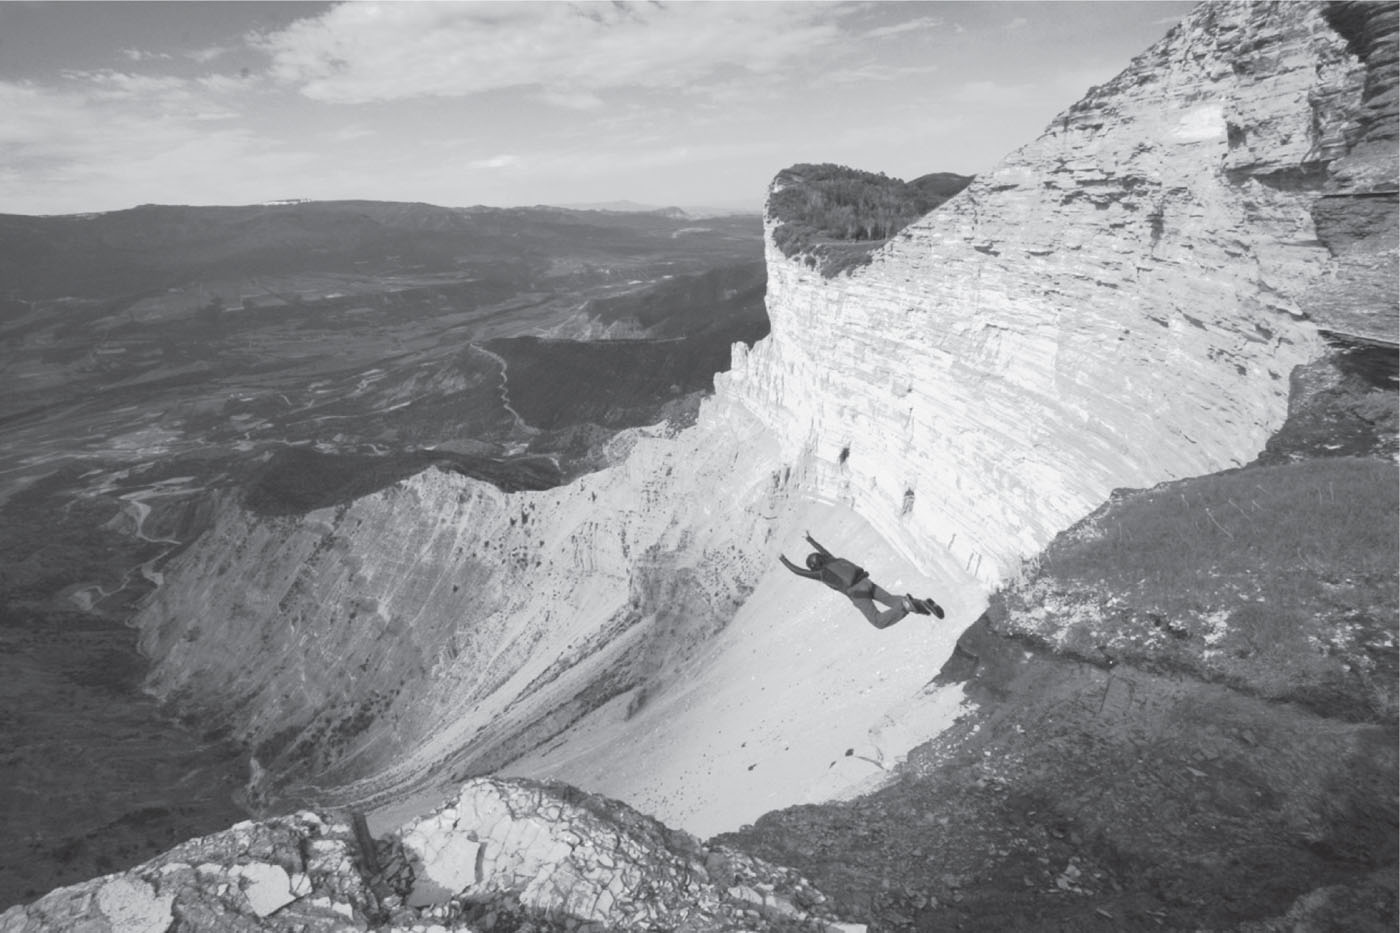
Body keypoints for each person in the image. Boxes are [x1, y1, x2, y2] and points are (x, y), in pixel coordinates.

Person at [780, 532, 945, 630]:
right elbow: (823, 550)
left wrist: (782, 559)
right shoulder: (832, 559)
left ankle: (906, 606)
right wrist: (810, 540)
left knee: (878, 621)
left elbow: (798, 572)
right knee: (890, 599)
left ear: (814, 567)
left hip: (858, 593)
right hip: (867, 583)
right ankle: (921, 603)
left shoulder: (822, 574)